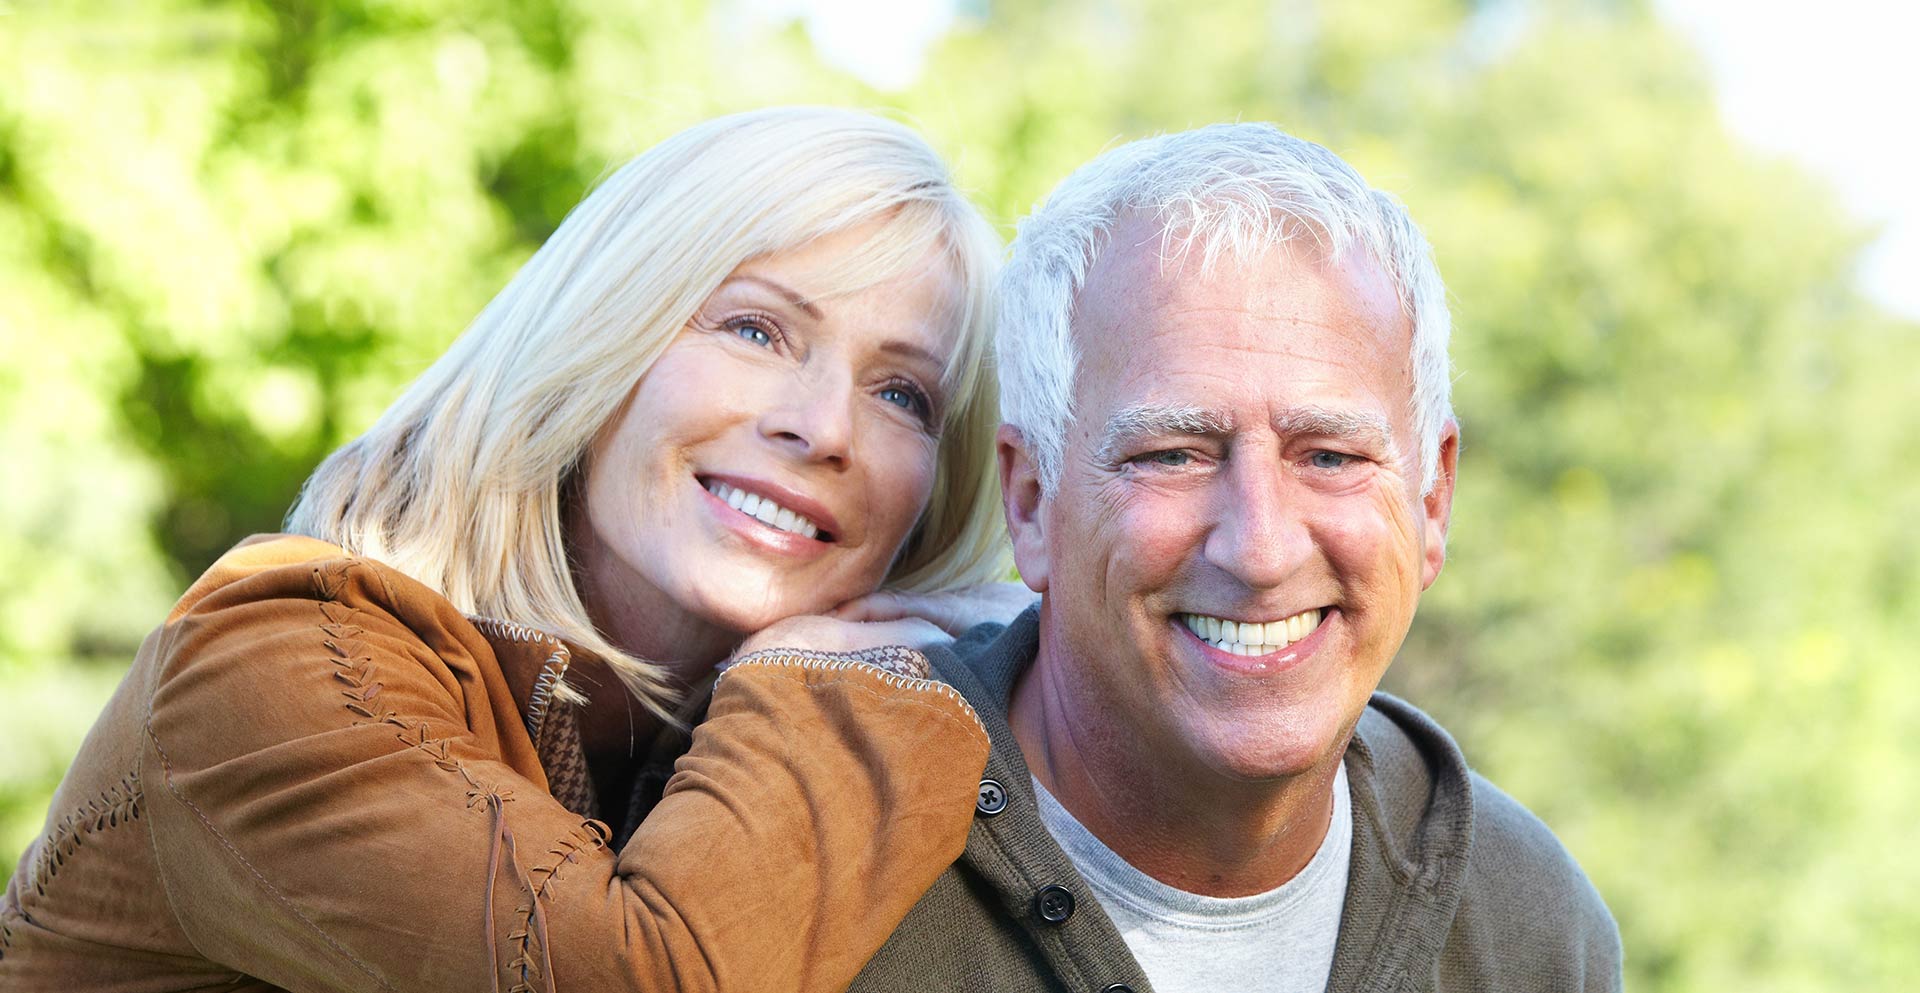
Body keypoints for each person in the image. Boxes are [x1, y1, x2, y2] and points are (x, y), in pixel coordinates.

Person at [0, 107, 1026, 993]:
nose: (827, 427)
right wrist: (835, 684)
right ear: (602, 332)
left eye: (903, 394)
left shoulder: (749, 742)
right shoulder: (265, 669)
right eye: (756, 330)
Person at [846, 124, 1624, 992]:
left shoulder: (1527, 923)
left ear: (1432, 500)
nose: (1259, 549)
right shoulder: (815, 854)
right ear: (1030, 501)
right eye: (1172, 454)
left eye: (1330, 455)